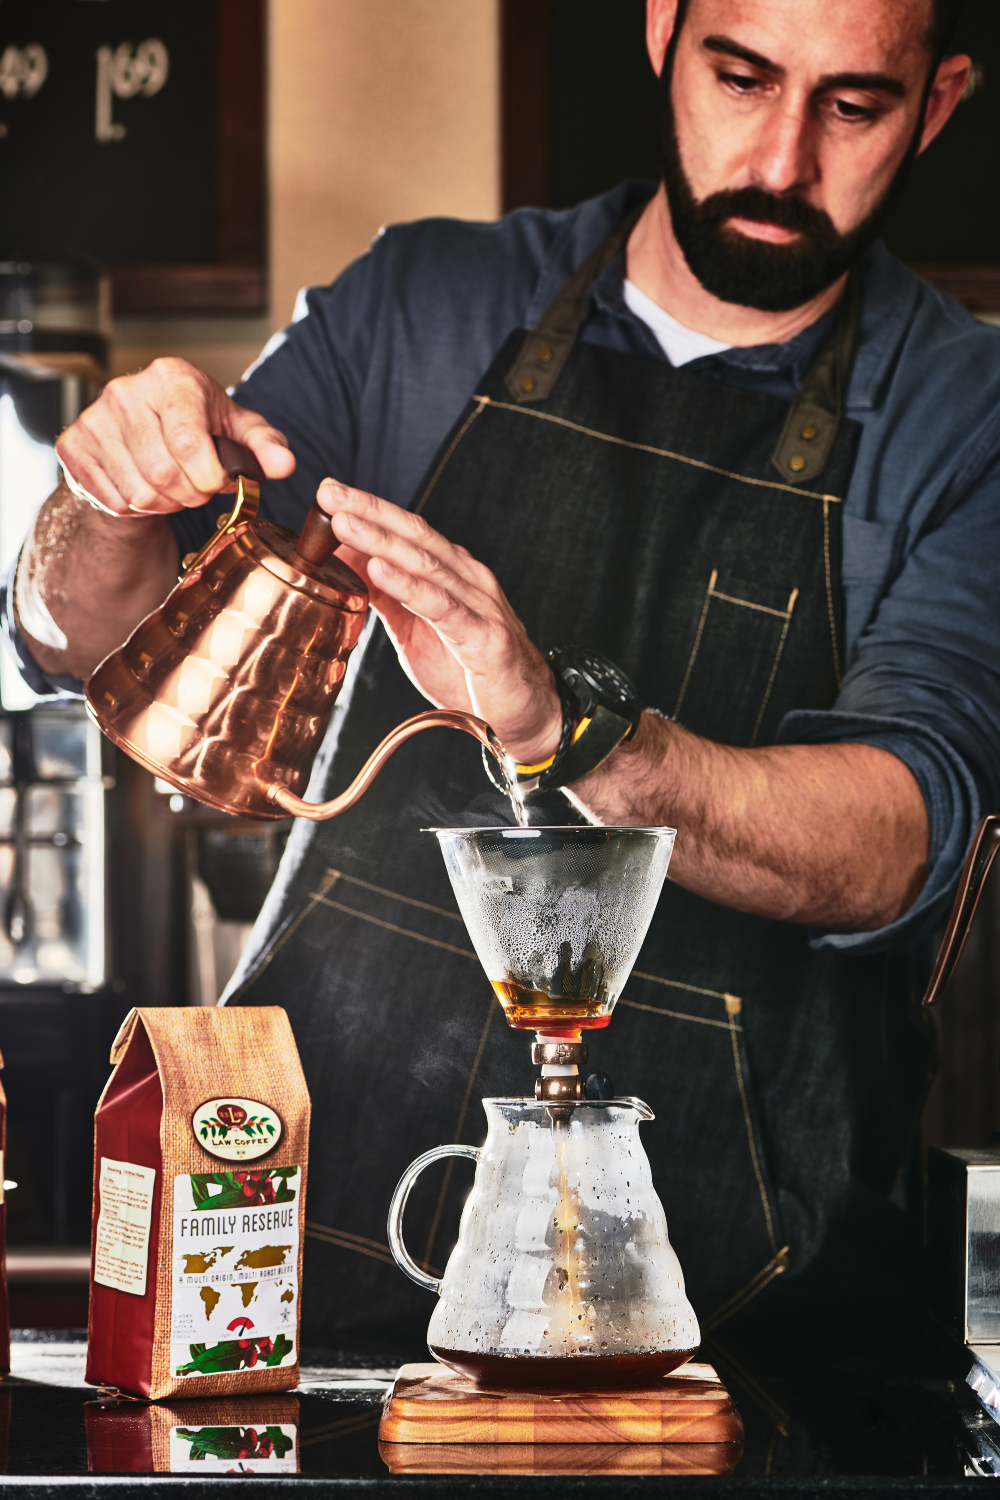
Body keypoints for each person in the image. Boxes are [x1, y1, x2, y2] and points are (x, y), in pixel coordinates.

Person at [9, 0, 999, 1342]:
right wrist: (104, 488)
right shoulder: (420, 307)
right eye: (742, 75)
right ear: (662, 31)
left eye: (854, 105)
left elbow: (897, 840)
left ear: (938, 103)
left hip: (750, 1341)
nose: (780, 157)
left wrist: (566, 732)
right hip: (313, 1270)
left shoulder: (966, 417)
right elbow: (90, 643)